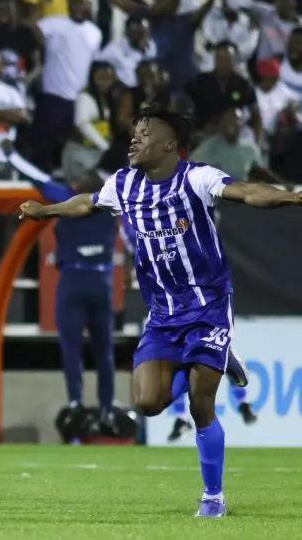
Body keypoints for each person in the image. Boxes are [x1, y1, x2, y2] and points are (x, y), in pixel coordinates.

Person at [17, 106, 302, 517]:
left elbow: (247, 192)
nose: (135, 138)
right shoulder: (124, 184)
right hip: (163, 314)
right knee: (148, 403)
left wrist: (291, 196)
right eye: (135, 131)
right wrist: (46, 211)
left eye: (145, 132)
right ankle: (218, 360)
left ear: (170, 144)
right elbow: (88, 203)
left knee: (202, 405)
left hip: (207, 306)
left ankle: (213, 497)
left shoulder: (196, 178)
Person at [4, 143, 118, 432]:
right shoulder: (93, 201)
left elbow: (40, 180)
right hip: (89, 281)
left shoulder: (81, 199)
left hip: (83, 282)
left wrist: (12, 154)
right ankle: (92, 405)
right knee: (89, 350)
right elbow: (40, 180)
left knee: (87, 349)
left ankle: (92, 405)